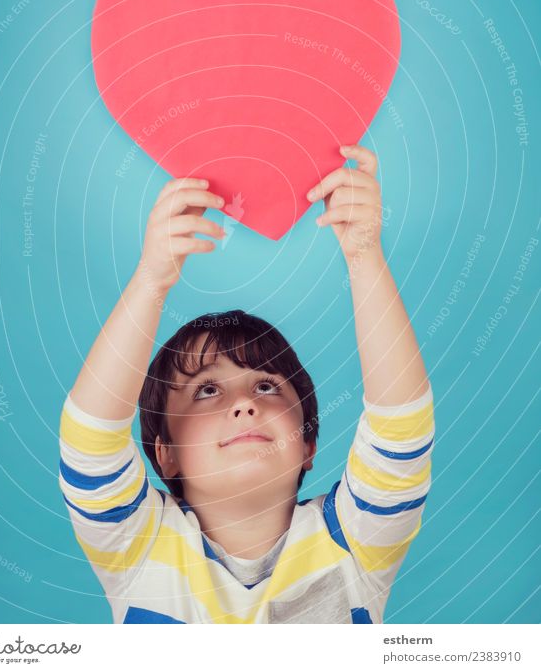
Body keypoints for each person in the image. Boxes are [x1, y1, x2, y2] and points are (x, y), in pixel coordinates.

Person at [58, 144, 434, 623]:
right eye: (206, 391)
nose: (243, 405)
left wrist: (364, 256)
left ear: (308, 445)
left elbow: (400, 423)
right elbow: (90, 438)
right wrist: (151, 280)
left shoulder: (355, 540)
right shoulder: (137, 544)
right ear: (164, 452)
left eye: (266, 387)